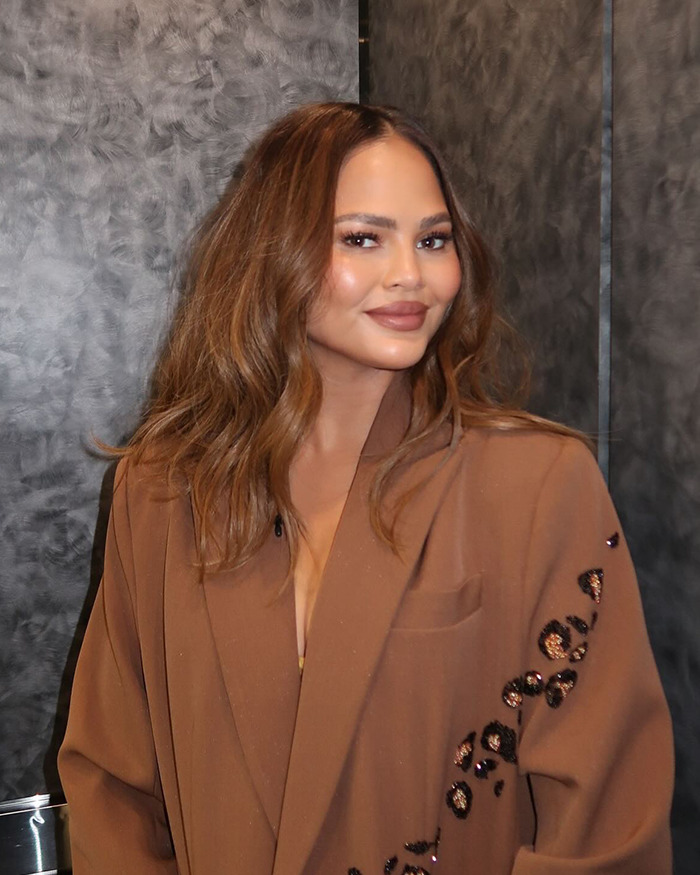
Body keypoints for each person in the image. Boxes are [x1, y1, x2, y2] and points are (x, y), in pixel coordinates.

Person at [58, 102, 673, 874]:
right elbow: (112, 782)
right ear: (271, 252)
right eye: (362, 238)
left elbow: (607, 827)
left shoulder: (539, 486)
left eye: (433, 239)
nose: (411, 274)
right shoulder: (161, 492)